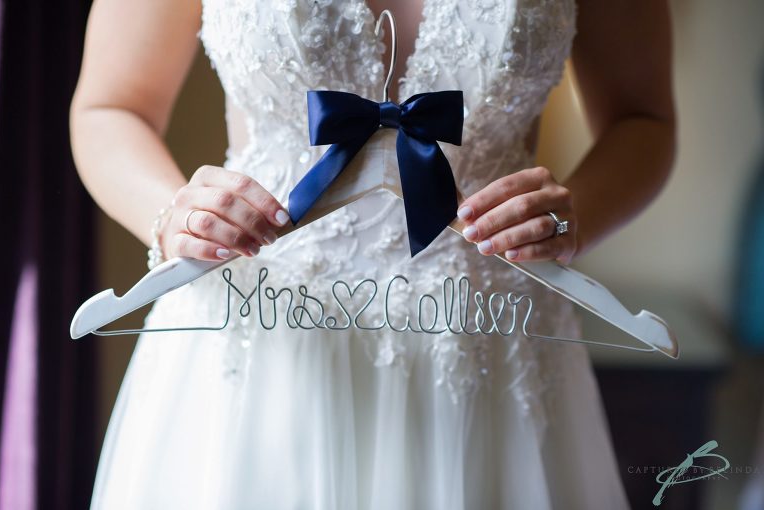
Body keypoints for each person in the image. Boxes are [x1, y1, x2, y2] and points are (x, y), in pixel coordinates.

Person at [70, 0, 675, 508]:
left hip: (490, 347)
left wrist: (577, 217)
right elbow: (110, 106)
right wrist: (171, 212)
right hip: (252, 345)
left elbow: (642, 118)